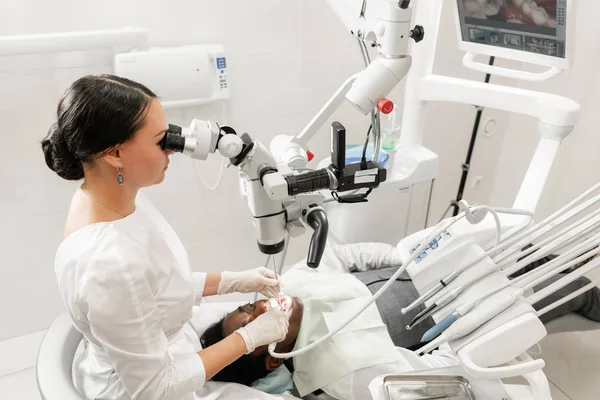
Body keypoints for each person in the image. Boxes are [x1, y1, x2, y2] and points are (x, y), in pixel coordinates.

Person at [42, 74, 292, 400]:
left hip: (167, 355)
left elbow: (153, 286)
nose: (173, 150)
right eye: (162, 140)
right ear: (114, 154)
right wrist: (248, 338)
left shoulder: (110, 197)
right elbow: (154, 387)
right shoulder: (109, 262)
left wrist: (233, 281)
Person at [201, 242, 600, 400]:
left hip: (453, 265)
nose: (260, 308)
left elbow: (348, 256)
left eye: (249, 307)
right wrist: (470, 330)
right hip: (486, 305)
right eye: (254, 323)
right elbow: (441, 370)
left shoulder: (291, 280)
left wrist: (407, 256)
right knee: (573, 288)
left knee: (533, 248)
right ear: (273, 359)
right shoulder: (342, 371)